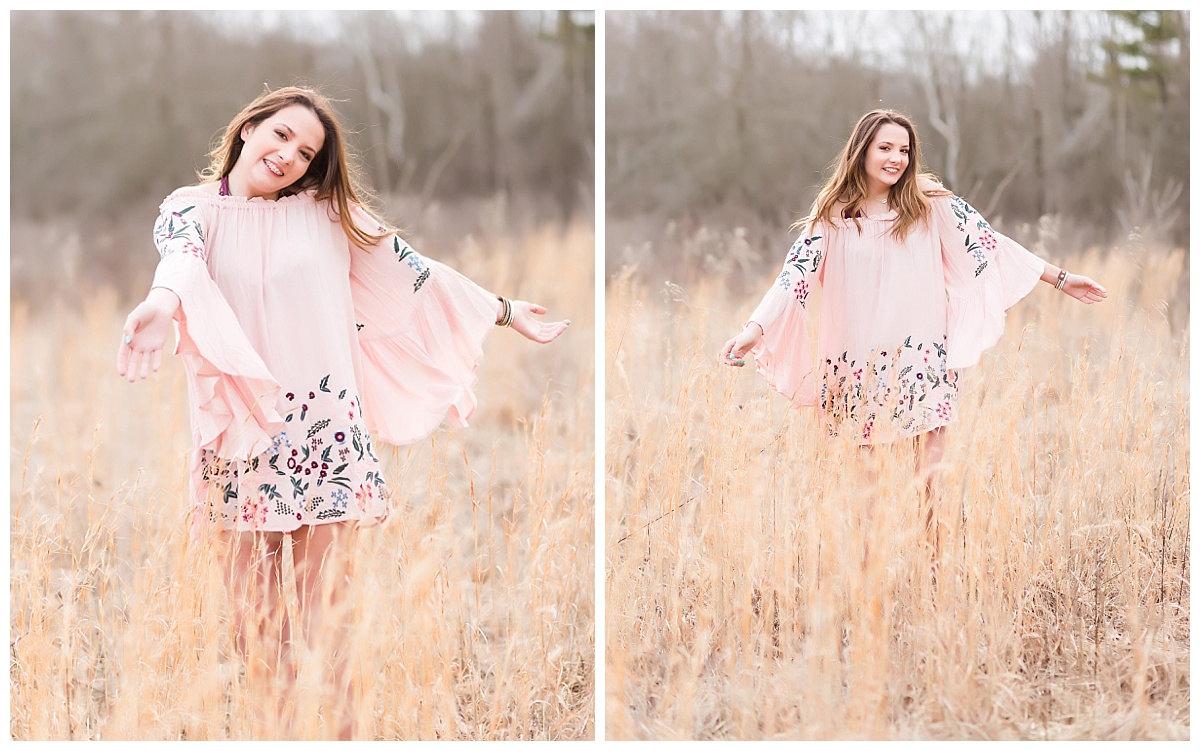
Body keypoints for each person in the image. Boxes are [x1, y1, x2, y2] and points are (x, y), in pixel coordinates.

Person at [115, 85, 569, 739]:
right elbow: (179, 265)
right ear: (248, 128)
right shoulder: (188, 212)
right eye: (281, 136)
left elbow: (415, 270)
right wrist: (158, 307)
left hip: (327, 436)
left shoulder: (329, 213)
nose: (289, 155)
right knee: (256, 627)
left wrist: (503, 309)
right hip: (241, 443)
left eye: (305, 151)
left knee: (329, 618)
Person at [720, 109, 1105, 554]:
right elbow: (794, 277)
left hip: (923, 357)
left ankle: (934, 570)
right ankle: (869, 579)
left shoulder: (929, 205)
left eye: (904, 150)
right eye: (885, 148)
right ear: (861, 151)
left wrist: (1059, 278)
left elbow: (989, 242)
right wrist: (754, 329)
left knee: (931, 478)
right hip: (857, 361)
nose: (896, 158)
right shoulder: (832, 216)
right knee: (866, 483)